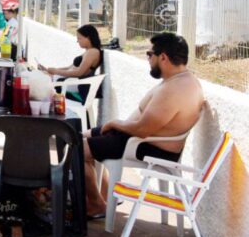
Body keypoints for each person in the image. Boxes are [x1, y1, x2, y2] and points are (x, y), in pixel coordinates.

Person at [81, 32, 204, 218]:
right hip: (136, 138)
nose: (147, 58)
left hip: (144, 145)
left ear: (163, 57)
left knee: (76, 149)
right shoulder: (183, 81)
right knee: (77, 135)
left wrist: (114, 123)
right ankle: (105, 196)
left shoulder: (174, 90)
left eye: (149, 54)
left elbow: (142, 130)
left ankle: (97, 205)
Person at [38, 24, 104, 102]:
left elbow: (79, 72)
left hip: (77, 83)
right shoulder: (88, 51)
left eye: (79, 38)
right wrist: (50, 70)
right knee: (44, 76)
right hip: (72, 81)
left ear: (88, 38)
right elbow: (69, 68)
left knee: (43, 81)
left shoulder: (93, 52)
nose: (77, 41)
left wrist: (56, 71)